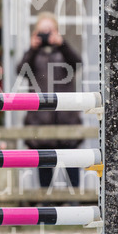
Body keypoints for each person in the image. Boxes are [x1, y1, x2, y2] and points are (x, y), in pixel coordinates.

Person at [15, 12, 83, 189]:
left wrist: (62, 44)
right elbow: (20, 71)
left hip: (66, 119)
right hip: (40, 121)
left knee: (72, 168)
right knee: (44, 171)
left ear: (57, 31)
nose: (46, 34)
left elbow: (77, 64)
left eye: (49, 30)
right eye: (42, 31)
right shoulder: (34, 55)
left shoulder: (63, 52)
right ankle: (46, 203)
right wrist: (32, 49)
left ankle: (75, 202)